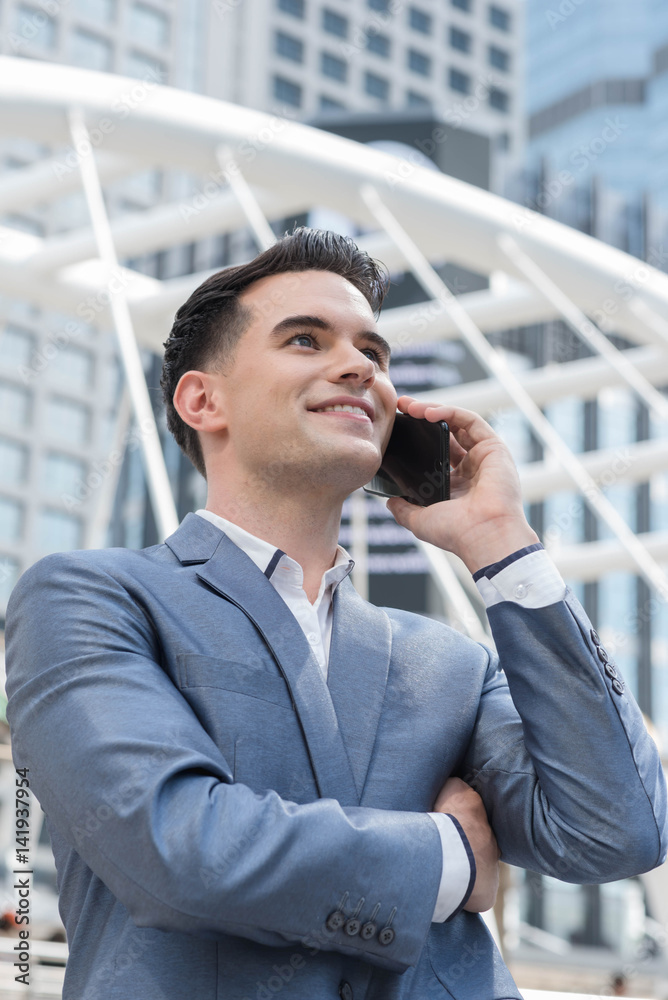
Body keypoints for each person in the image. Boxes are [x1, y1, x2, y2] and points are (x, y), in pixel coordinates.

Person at [5, 229, 667, 1000]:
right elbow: (180, 851)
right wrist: (447, 856)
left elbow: (616, 830)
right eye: (305, 339)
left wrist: (503, 546)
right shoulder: (90, 598)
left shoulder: (452, 662)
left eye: (375, 353)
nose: (360, 367)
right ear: (202, 399)